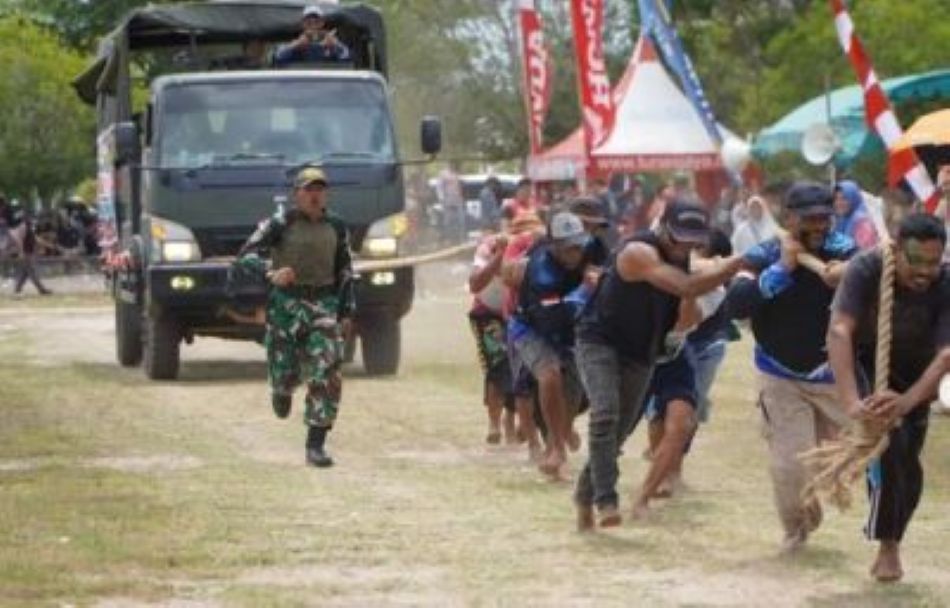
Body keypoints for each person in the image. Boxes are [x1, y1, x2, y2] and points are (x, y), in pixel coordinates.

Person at [573, 201, 745, 530]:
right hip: (600, 341)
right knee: (605, 413)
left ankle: (584, 495)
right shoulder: (638, 251)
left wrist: (710, 277)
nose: (685, 245)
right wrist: (728, 268)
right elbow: (685, 284)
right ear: (663, 228)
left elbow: (686, 319)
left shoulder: (687, 264)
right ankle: (606, 499)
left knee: (619, 433)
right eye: (680, 237)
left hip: (643, 351)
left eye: (693, 239)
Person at [724, 182, 857, 552]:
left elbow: (877, 274)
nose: (818, 226)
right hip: (780, 374)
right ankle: (797, 529)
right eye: (809, 219)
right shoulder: (762, 255)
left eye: (824, 218)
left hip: (833, 375)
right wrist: (783, 267)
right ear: (789, 218)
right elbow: (737, 305)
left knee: (860, 451)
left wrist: (850, 274)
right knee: (790, 466)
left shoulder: (845, 251)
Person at [827, 213, 950, 582]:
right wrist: (852, 402)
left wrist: (908, 401)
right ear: (896, 250)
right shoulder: (867, 268)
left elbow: (946, 355)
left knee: (909, 463)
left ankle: (895, 535)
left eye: (933, 262)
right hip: (870, 364)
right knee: (890, 444)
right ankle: (887, 546)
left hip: (919, 375)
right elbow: (840, 331)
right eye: (917, 261)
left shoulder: (946, 282)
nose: (925, 272)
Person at [234, 166, 354, 468]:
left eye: (320, 190)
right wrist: (271, 272)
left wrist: (346, 311)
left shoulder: (337, 226)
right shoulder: (280, 223)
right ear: (296, 194)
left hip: (323, 305)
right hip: (286, 307)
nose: (315, 196)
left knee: (327, 370)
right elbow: (244, 257)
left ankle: (316, 444)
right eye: (309, 190)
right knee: (285, 372)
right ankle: (282, 389)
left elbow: (345, 270)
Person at [507, 212, 599, 478]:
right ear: (555, 246)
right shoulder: (542, 273)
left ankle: (558, 437)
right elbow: (554, 319)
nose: (575, 252)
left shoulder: (590, 249)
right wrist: (585, 290)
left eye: (578, 245)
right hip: (531, 328)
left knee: (576, 391)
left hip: (569, 330)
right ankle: (556, 449)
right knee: (550, 374)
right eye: (569, 247)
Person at [468, 229, 517, 446]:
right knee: (497, 364)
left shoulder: (531, 248)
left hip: (517, 314)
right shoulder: (486, 248)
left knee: (520, 367)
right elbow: (475, 284)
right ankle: (494, 422)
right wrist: (499, 255)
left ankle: (511, 420)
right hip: (487, 313)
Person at [272, 6, 351, 68]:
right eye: (309, 22)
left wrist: (335, 44)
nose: (313, 25)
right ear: (303, 23)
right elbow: (278, 57)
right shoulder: (295, 42)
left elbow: (347, 57)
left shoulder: (331, 41)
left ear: (322, 23)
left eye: (316, 22)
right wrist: (295, 45)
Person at [6, 204, 52, 296]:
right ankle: (41, 289)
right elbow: (18, 239)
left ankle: (17, 289)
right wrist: (21, 252)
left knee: (25, 272)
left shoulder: (30, 227)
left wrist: (47, 244)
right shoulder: (23, 225)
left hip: (30, 251)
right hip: (26, 252)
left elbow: (34, 238)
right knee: (31, 271)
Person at [833, 180, 880, 249]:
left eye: (844, 199)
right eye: (836, 198)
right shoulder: (843, 220)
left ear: (853, 198)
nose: (838, 203)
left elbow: (866, 251)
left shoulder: (861, 222)